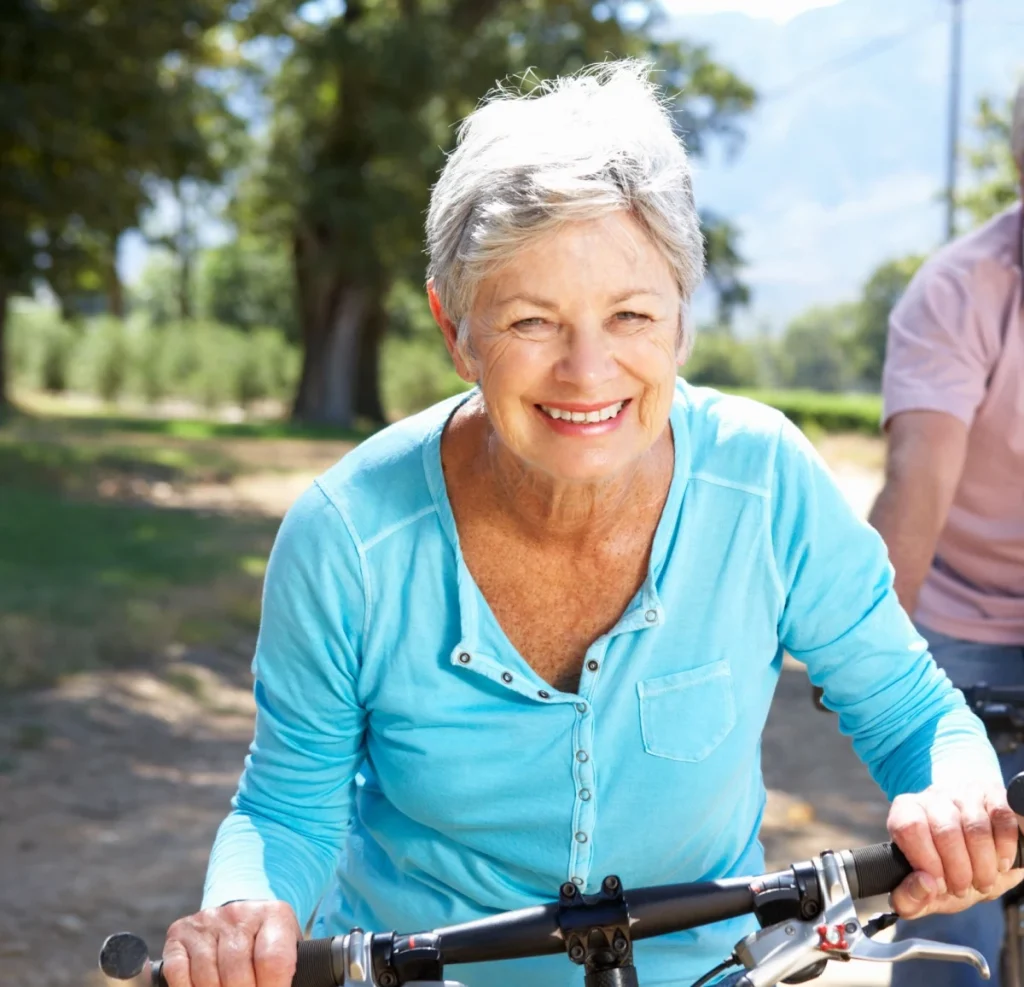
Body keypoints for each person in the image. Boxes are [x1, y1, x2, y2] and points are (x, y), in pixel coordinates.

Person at [164, 62, 1022, 987]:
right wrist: (242, 910)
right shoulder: (346, 539)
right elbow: (289, 806)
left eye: (631, 315)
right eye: (533, 320)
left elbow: (909, 707)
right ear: (455, 330)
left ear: (682, 320)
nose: (588, 370)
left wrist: (951, 786)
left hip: (708, 971)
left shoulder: (764, 481)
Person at [869, 80, 1024, 987]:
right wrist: (874, 664)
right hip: (959, 615)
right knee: (950, 877)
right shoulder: (963, 290)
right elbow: (917, 484)